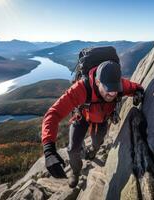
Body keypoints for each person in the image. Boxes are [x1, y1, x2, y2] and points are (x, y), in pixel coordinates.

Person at [42, 60, 144, 188]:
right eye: (108, 89)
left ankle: (92, 152)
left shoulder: (120, 84)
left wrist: (138, 93)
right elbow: (53, 113)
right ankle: (76, 172)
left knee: (97, 142)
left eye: (115, 90)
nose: (112, 94)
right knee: (73, 149)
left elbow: (136, 87)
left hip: (102, 120)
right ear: (97, 82)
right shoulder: (81, 88)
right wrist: (49, 149)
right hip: (82, 117)